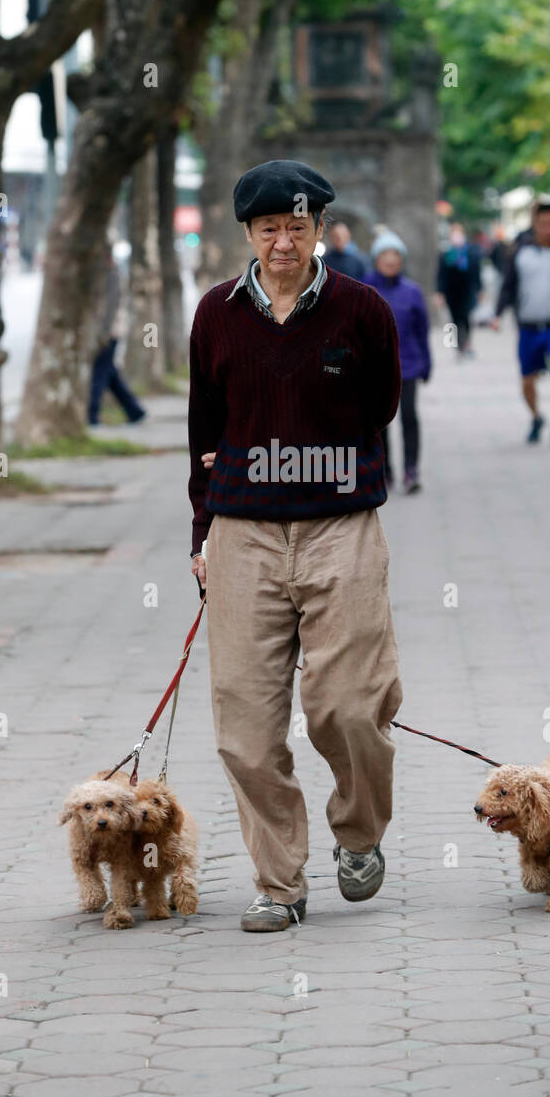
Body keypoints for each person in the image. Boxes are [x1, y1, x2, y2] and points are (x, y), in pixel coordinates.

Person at [188, 159, 403, 933]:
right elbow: (203, 429)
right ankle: (279, 882)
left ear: (320, 230)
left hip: (340, 527)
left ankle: (359, 831)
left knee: (347, 706)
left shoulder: (362, 309)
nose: (285, 242)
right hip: (241, 532)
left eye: (299, 226)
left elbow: (381, 405)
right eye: (270, 228)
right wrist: (200, 532)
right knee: (244, 728)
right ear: (248, 233)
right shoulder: (215, 314)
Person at [492, 197, 550, 448]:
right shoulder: (521, 250)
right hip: (529, 326)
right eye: (544, 224)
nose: (549, 229)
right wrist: (498, 314)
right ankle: (536, 417)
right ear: (535, 223)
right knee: (527, 382)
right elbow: (508, 286)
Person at [363, 230, 431, 493]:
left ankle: (411, 470)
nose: (391, 259)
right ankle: (384, 470)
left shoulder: (412, 291)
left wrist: (427, 363)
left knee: (410, 416)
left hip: (409, 365)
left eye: (395, 255)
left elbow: (422, 330)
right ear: (376, 259)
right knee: (380, 423)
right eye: (385, 254)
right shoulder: (365, 289)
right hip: (376, 369)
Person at [87, 242, 146, 426]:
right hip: (108, 331)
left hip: (110, 332)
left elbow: (111, 307)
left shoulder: (112, 275)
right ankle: (134, 410)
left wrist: (103, 333)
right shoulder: (107, 275)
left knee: (100, 373)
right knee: (110, 374)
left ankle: (92, 415)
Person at [436, 223, 482, 356]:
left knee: (466, 317)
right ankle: (457, 345)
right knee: (454, 319)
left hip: (467, 291)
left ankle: (467, 343)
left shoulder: (470, 253)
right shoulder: (446, 255)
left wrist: (480, 290)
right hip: (451, 293)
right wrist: (439, 292)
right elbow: (441, 275)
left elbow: (476, 273)